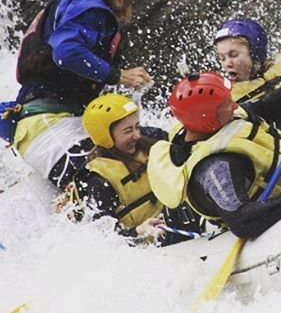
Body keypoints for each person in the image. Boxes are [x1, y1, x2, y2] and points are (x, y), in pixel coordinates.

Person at [0, 0, 152, 188]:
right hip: (48, 125)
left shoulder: (80, 7)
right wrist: (118, 75)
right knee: (107, 185)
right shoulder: (86, 4)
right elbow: (66, 53)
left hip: (64, 123)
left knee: (148, 156)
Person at [148, 70, 281, 239]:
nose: (234, 105)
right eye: (227, 103)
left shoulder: (224, 118)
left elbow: (266, 106)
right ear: (208, 120)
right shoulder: (217, 166)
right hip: (279, 200)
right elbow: (242, 222)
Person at [57, 93, 186, 243]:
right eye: (128, 131)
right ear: (105, 136)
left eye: (137, 127)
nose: (137, 135)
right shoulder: (99, 181)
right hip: (147, 246)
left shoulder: (152, 138)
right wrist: (138, 231)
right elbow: (103, 236)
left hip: (179, 223)